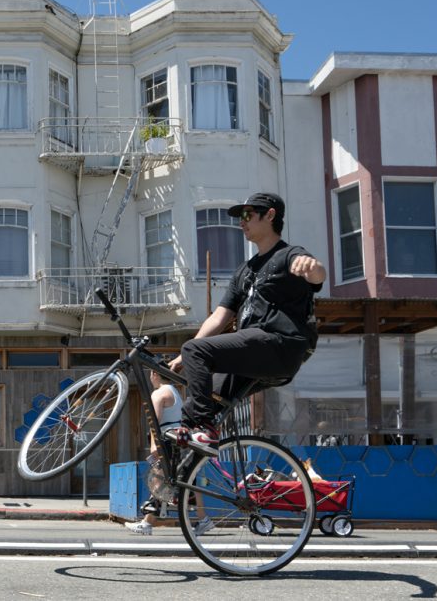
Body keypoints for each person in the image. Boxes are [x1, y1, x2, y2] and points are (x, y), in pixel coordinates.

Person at [166, 193, 325, 453]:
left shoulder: (289, 255)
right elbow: (219, 317)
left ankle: (205, 429)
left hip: (279, 344)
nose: (242, 222)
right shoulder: (244, 271)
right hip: (254, 351)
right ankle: (181, 483)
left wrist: (313, 267)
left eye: (248, 215)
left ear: (270, 215)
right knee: (203, 403)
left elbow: (318, 274)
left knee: (195, 352)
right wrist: (186, 355)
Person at [125, 369, 214, 536]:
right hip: (180, 441)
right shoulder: (175, 391)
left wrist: (154, 446)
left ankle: (147, 523)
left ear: (154, 374)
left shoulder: (159, 394)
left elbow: (154, 422)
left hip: (167, 442)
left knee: (159, 481)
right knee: (189, 482)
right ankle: (203, 520)